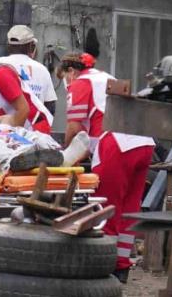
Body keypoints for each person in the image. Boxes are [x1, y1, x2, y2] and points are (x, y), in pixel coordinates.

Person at [58, 52, 154, 283]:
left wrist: (64, 156)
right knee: (129, 207)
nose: (66, 84)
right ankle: (121, 266)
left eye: (64, 78)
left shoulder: (80, 82)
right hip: (143, 142)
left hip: (115, 143)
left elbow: (74, 127)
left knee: (106, 206)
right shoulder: (106, 77)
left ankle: (106, 265)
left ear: (71, 71)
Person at [0, 25, 57, 115]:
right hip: (33, 128)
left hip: (2, 127)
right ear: (31, 46)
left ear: (8, 46)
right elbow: (50, 107)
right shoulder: (42, 70)